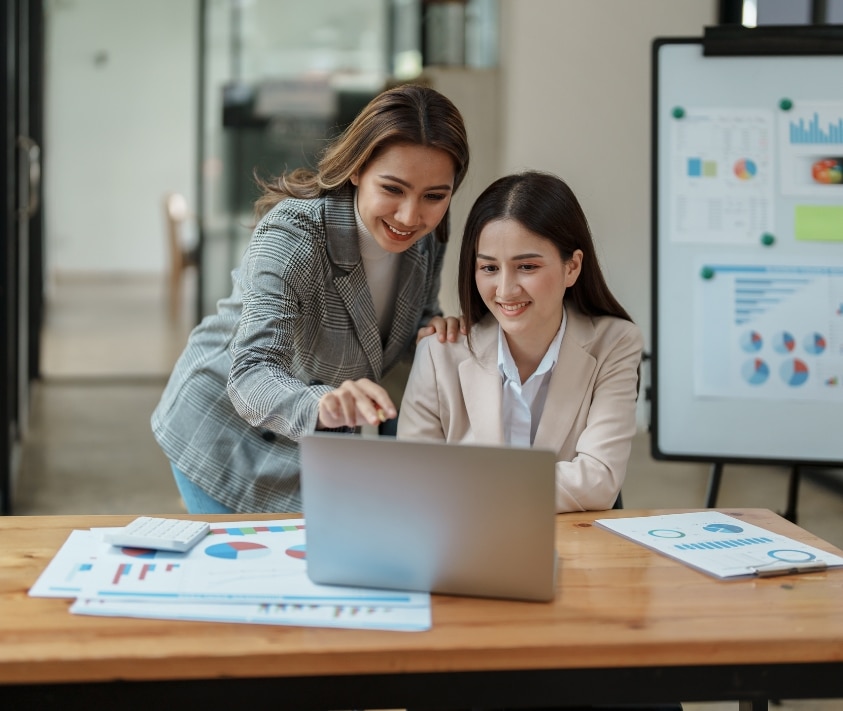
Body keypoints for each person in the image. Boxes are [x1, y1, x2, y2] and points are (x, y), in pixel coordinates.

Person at [152, 83, 470, 514]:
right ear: (357, 169)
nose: (410, 216)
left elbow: (409, 316)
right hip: (222, 433)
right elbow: (251, 373)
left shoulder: (428, 239)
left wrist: (433, 328)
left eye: (435, 196)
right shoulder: (294, 237)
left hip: (312, 445)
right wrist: (322, 403)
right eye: (393, 189)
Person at [397, 170, 643, 512]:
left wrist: (463, 485)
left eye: (526, 267)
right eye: (489, 268)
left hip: (574, 549)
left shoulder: (615, 343)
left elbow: (598, 481)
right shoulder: (439, 352)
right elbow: (412, 481)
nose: (505, 290)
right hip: (466, 551)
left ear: (572, 267)